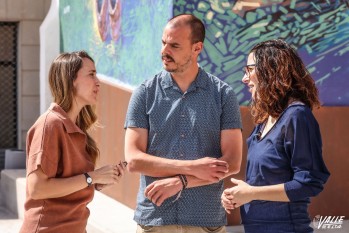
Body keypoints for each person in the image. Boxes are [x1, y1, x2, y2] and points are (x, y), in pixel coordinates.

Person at [124, 14, 243, 233]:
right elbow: (133, 160)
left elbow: (232, 163)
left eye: (175, 45)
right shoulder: (144, 93)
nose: (164, 51)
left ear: (197, 48)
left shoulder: (223, 95)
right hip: (155, 220)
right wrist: (191, 168)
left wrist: (182, 181)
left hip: (205, 220)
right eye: (163, 43)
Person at [221, 39, 330, 233]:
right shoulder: (265, 120)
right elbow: (264, 180)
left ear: (270, 70)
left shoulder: (297, 116)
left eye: (249, 70)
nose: (244, 79)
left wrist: (251, 193)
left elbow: (309, 182)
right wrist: (238, 195)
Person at [19, 51, 126, 233]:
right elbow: (37, 188)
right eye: (91, 74)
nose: (98, 82)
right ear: (71, 80)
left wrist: (98, 181)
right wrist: (92, 177)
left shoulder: (76, 128)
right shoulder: (50, 125)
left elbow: (68, 185)